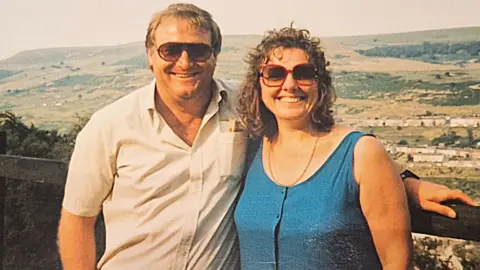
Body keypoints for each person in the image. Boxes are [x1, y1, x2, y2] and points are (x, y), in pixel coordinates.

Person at [57, 3, 477, 270]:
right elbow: (78, 219)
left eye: (199, 50)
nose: (185, 61)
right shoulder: (109, 126)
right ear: (150, 56)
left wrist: (404, 182)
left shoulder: (244, 113)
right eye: (170, 50)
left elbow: (327, 150)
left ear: (214, 55)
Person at [234, 26, 413, 269]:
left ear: (321, 83)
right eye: (275, 74)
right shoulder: (250, 148)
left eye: (304, 73)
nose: (289, 85)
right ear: (258, 85)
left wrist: (410, 183)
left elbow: (396, 263)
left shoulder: (360, 153)